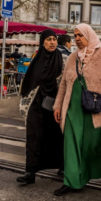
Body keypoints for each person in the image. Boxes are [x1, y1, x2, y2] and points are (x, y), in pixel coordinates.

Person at [52, 23, 101, 196]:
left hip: (96, 109)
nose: (77, 39)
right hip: (72, 108)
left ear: (89, 35)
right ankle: (72, 180)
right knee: (71, 144)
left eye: (80, 35)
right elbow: (64, 84)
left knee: (93, 145)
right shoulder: (73, 57)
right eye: (75, 36)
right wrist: (58, 106)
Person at [16, 30, 64, 185]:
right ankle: (30, 172)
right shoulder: (37, 59)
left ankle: (62, 166)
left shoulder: (62, 59)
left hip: (55, 107)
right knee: (34, 137)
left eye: (54, 39)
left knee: (57, 137)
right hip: (36, 106)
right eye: (49, 39)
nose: (52, 42)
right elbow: (30, 81)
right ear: (43, 42)